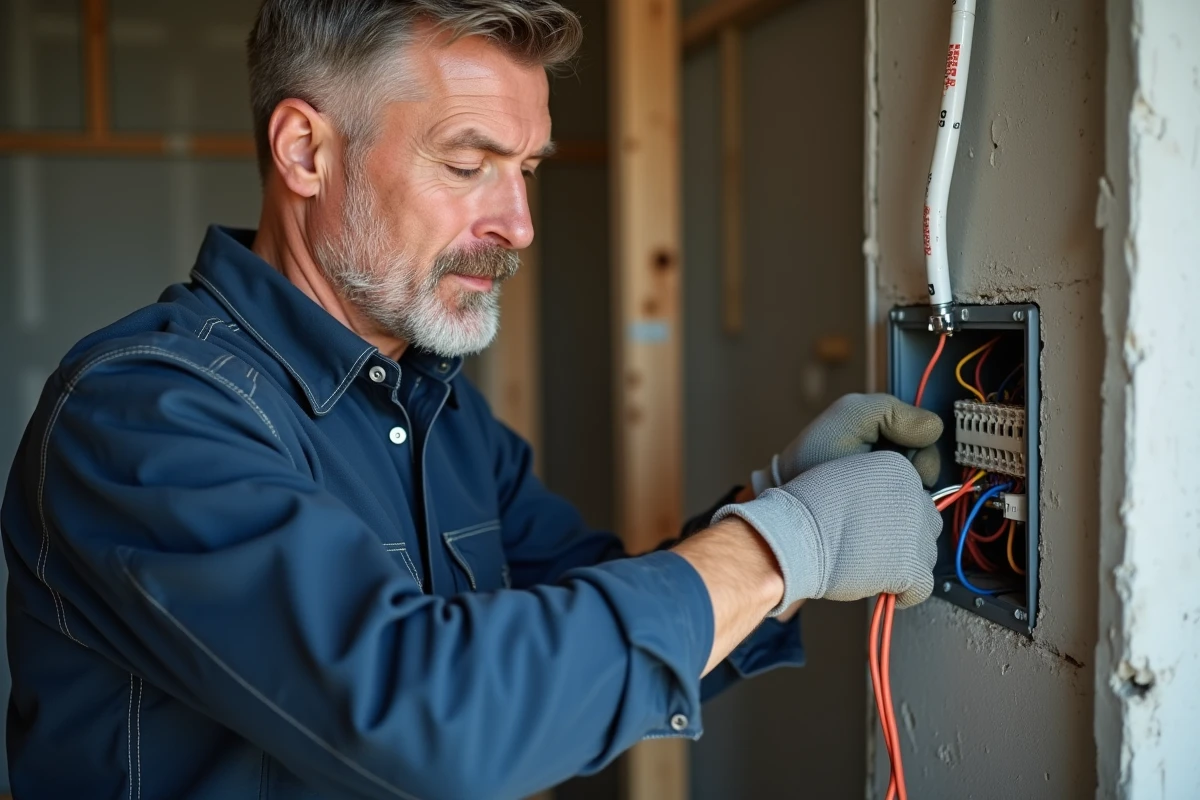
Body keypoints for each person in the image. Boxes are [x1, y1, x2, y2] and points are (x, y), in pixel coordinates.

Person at [0, 2, 945, 797]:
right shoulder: (141, 413)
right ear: (305, 151)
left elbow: (584, 639)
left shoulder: (440, 413)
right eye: (467, 166)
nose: (520, 224)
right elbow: (432, 717)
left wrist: (774, 502)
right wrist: (781, 547)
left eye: (525, 169)